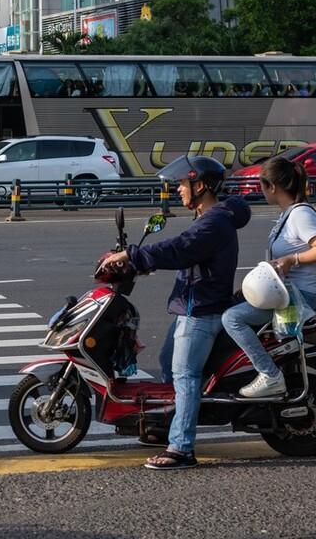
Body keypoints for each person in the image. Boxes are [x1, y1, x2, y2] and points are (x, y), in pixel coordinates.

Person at [101, 156, 251, 470]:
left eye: (183, 184)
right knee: (168, 362)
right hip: (192, 305)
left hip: (202, 312)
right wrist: (141, 264)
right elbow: (187, 256)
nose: (179, 190)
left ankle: (182, 449)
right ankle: (167, 424)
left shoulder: (214, 221)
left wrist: (132, 255)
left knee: (186, 377)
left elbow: (181, 248)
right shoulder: (210, 217)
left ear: (201, 185)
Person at [222, 157, 316, 398]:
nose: (262, 192)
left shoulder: (300, 215)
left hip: (301, 298)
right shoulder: (288, 214)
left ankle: (269, 375)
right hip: (287, 294)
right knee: (235, 305)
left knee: (232, 318)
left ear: (272, 187)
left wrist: (291, 260)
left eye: (262, 186)